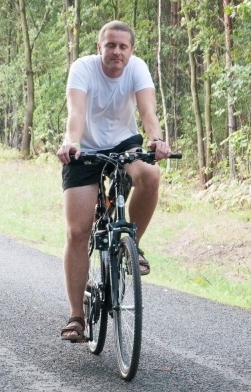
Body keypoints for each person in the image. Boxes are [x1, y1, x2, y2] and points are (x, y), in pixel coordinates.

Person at [56, 20, 172, 342]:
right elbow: (75, 114)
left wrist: (156, 139)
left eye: (123, 46)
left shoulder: (138, 69)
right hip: (85, 148)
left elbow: (148, 110)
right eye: (110, 45)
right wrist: (72, 142)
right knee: (78, 231)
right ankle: (77, 316)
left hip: (125, 143)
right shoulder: (83, 69)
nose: (116, 52)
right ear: (99, 47)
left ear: (131, 50)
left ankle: (131, 243)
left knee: (149, 174)